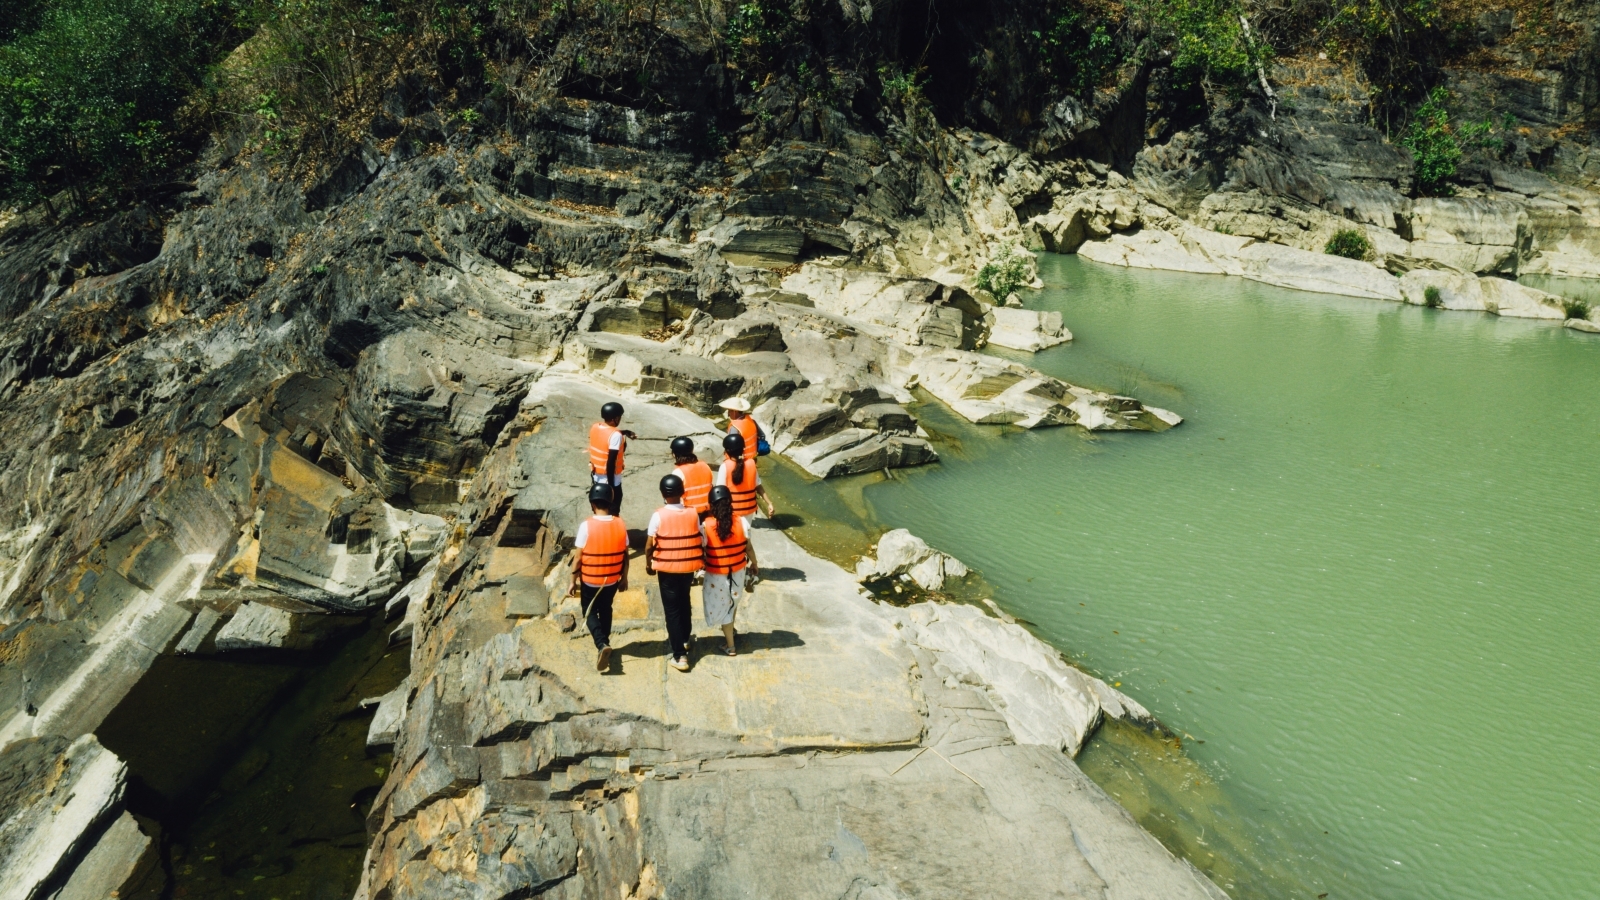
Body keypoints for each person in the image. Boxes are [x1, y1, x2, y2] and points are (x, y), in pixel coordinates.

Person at [645, 474, 704, 672]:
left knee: (672, 611)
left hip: (667, 570)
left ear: (663, 493)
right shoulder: (693, 512)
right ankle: (685, 639)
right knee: (684, 602)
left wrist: (648, 564)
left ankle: (679, 655)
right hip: (688, 567)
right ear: (682, 492)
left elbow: (649, 546)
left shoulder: (658, 515)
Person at [569, 483, 628, 672]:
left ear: (592, 503)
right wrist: (624, 578)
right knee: (606, 609)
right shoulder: (620, 523)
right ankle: (606, 644)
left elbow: (578, 558)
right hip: (611, 579)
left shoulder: (586, 525)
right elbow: (625, 555)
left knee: (588, 611)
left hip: (591, 579)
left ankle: (602, 644)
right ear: (610, 502)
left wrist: (572, 581)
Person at [702, 484, 758, 656]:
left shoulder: (706, 525)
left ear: (711, 505)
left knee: (724, 608)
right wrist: (755, 563)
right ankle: (730, 631)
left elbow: (702, 548)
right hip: (738, 572)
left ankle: (731, 646)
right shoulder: (741, 521)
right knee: (732, 603)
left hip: (716, 575)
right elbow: (748, 547)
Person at [588, 401, 637, 516]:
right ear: (615, 418)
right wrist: (611, 488)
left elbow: (607, 433)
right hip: (611, 479)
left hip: (597, 476)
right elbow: (611, 462)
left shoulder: (596, 427)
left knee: (599, 507)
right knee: (613, 509)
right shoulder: (616, 436)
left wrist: (625, 432)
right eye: (619, 417)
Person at [715, 432, 775, 519]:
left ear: (727, 451)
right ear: (743, 449)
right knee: (746, 531)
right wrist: (769, 503)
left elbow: (719, 492)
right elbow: (758, 487)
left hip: (731, 511)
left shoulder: (725, 466)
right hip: (748, 509)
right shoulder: (751, 464)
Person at [670, 436, 714, 518]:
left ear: (674, 454)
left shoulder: (678, 472)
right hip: (708, 513)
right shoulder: (705, 466)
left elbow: (673, 500)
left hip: (688, 515)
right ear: (692, 450)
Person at [720, 396, 759, 465]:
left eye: (729, 411)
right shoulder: (750, 420)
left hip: (741, 462)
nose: (728, 414)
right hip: (753, 460)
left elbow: (731, 448)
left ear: (734, 411)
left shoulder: (735, 427)